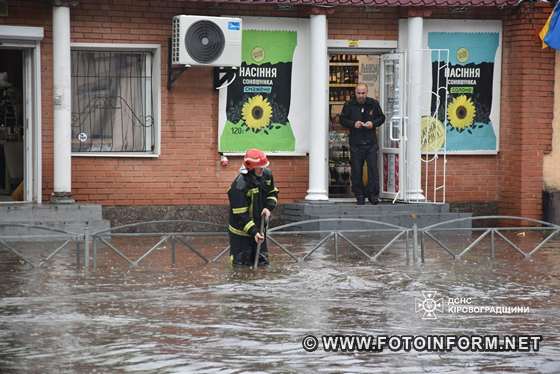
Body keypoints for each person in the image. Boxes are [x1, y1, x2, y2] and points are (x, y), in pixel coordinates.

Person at [227, 148, 279, 266]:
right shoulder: (239, 186)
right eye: (259, 168)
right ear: (250, 167)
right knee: (241, 266)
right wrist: (254, 232)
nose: (262, 170)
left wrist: (268, 207)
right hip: (241, 234)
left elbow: (272, 193)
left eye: (263, 167)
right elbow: (241, 215)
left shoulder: (267, 175)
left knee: (262, 262)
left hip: (259, 229)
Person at [340, 83, 386, 205]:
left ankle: (373, 195)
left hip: (370, 142)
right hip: (356, 143)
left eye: (363, 93)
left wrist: (373, 124)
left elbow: (382, 118)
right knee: (356, 170)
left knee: (373, 170)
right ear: (355, 93)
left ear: (367, 92)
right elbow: (342, 119)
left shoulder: (373, 103)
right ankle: (359, 195)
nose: (361, 95)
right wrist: (353, 124)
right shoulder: (349, 104)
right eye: (358, 93)